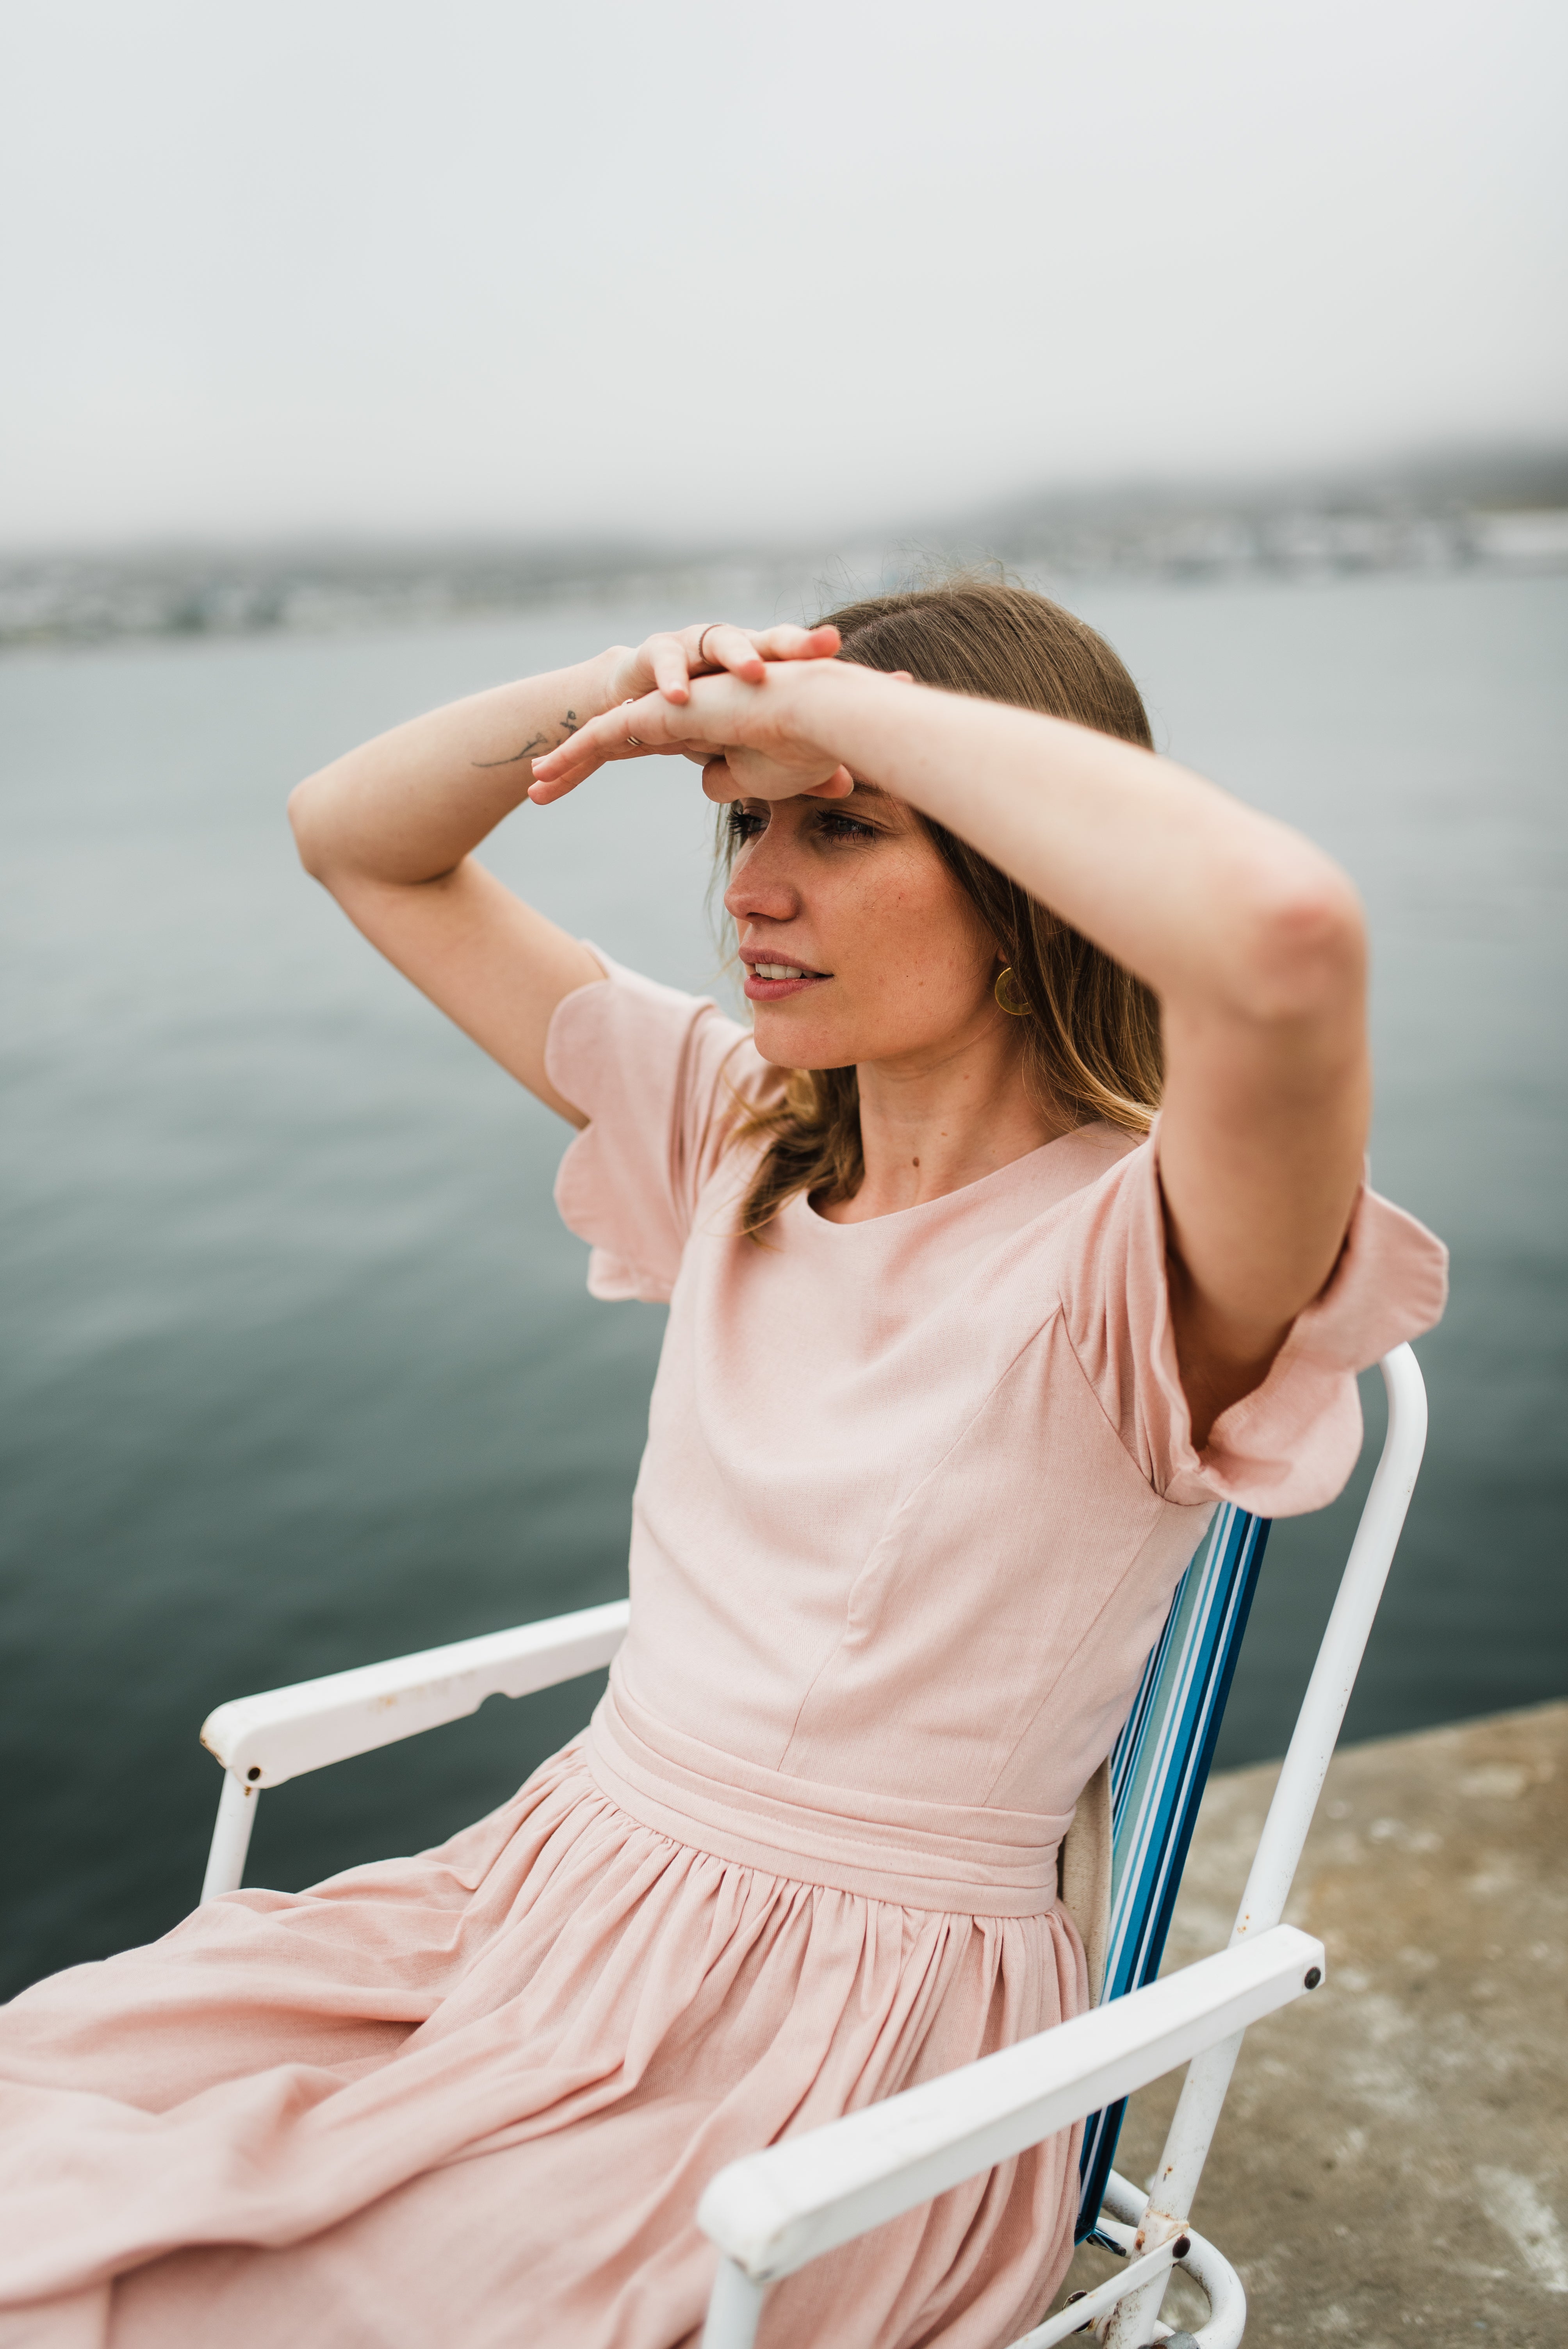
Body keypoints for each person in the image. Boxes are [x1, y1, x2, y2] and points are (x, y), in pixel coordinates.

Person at [0, 580, 1447, 2348]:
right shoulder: (736, 1131)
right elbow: (353, 838)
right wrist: (642, 683)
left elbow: (1284, 934)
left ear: (1025, 878)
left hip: (830, 2048)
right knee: (52, 2141)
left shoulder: (1137, 1260)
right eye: (746, 821)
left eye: (839, 826)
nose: (753, 890)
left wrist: (861, 708)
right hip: (534, 1900)